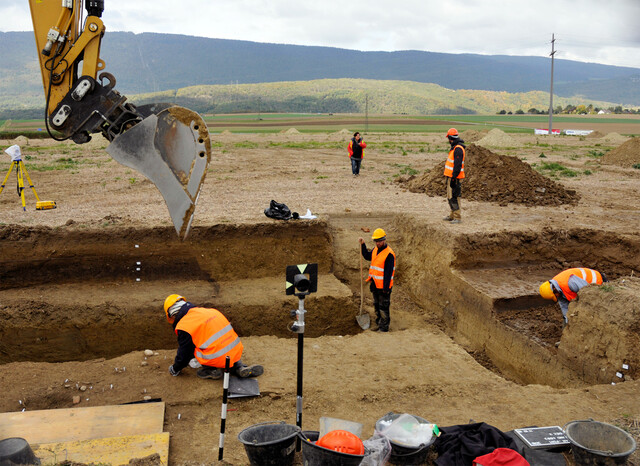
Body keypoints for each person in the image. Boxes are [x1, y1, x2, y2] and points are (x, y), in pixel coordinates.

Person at [164, 294, 264, 379]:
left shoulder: (184, 325)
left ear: (172, 315)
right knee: (223, 346)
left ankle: (211, 370)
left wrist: (175, 368)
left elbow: (185, 352)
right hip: (235, 350)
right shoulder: (210, 311)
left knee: (193, 347)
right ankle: (239, 367)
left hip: (215, 357)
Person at [539, 268, 608, 326]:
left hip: (598, 282)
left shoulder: (570, 282)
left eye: (555, 295)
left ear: (554, 289)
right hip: (587, 288)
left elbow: (588, 293)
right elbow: (564, 306)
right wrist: (567, 320)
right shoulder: (557, 289)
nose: (557, 296)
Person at [358, 228, 396, 332]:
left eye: (379, 241)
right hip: (375, 283)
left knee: (383, 307)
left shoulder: (389, 254)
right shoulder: (375, 250)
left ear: (384, 240)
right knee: (376, 305)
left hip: (384, 286)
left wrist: (386, 288)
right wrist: (363, 244)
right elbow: (366, 256)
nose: (378, 243)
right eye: (376, 241)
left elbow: (388, 273)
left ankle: (384, 328)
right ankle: (379, 324)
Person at [442, 128, 466, 223]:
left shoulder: (458, 149)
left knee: (455, 196)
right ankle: (452, 215)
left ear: (450, 138)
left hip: (455, 177)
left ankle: (457, 217)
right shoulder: (455, 148)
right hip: (451, 176)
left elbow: (457, 165)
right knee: (450, 196)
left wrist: (453, 178)